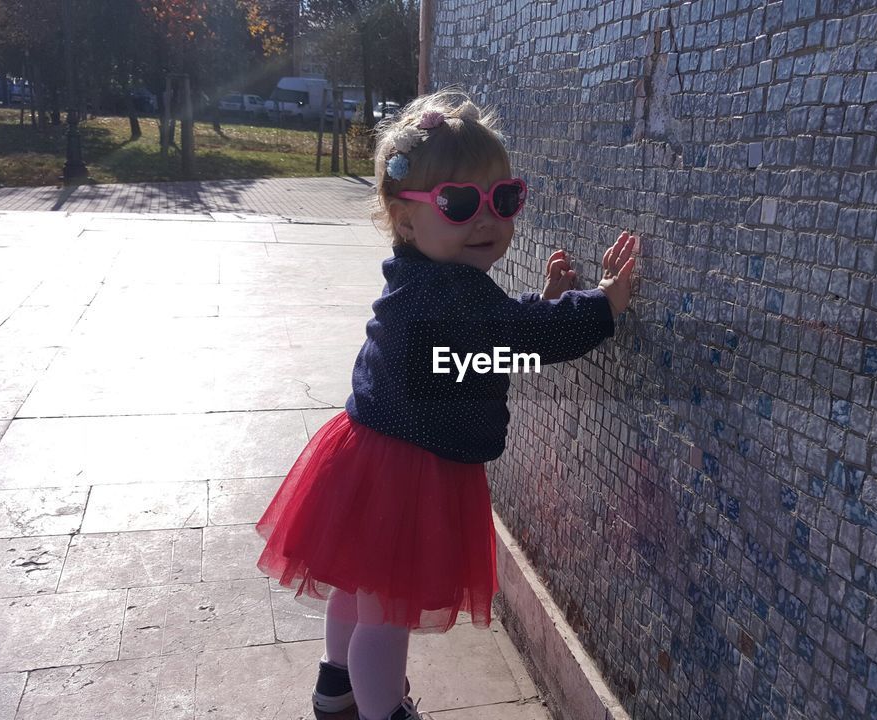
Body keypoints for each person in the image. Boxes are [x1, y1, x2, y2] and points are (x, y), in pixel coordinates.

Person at [255, 88, 638, 720]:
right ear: (405, 218)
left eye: (503, 199)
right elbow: (516, 338)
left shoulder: (420, 277)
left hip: (365, 455)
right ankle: (382, 713)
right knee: (386, 615)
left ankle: (336, 691)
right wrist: (602, 305)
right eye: (459, 204)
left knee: (356, 591)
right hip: (410, 471)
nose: (486, 220)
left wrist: (538, 306)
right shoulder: (452, 293)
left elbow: (483, 351)